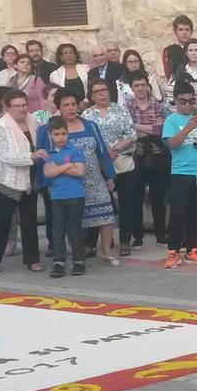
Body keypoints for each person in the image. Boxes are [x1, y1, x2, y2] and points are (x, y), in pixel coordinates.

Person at [36, 91, 116, 264]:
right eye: (66, 105)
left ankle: (106, 251)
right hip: (67, 182)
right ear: (58, 108)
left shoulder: (90, 125)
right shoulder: (50, 130)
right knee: (72, 222)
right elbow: (44, 158)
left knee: (107, 216)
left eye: (73, 104)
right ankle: (73, 254)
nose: (71, 108)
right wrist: (47, 183)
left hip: (94, 178)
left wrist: (109, 175)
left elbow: (101, 151)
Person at [0, 88, 42, 272]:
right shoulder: (1, 126)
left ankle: (32, 259)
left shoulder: (33, 120)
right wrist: (32, 157)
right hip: (7, 179)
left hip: (30, 178)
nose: (22, 109)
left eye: (24, 104)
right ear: (7, 107)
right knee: (2, 221)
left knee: (29, 220)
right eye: (16, 106)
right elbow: (5, 155)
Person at [161, 83, 197, 268]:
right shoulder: (171, 120)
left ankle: (192, 249)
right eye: (183, 101)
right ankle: (173, 251)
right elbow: (171, 144)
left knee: (196, 213)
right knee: (178, 213)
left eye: (191, 101)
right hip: (181, 173)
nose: (187, 105)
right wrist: (187, 129)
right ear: (175, 101)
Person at [82, 80, 136, 261]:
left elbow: (131, 134)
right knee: (100, 203)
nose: (102, 94)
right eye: (97, 91)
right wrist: (103, 155)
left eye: (104, 90)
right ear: (91, 95)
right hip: (98, 165)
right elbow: (87, 138)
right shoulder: (87, 114)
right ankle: (96, 242)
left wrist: (114, 150)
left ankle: (125, 240)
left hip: (122, 160)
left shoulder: (120, 110)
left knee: (128, 203)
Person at [36, 117, 87, 277]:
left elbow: (80, 171)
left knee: (75, 230)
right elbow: (48, 173)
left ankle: (79, 262)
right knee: (57, 231)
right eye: (57, 134)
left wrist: (57, 168)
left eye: (64, 133)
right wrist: (66, 165)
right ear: (50, 135)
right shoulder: (48, 154)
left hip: (76, 196)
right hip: (56, 198)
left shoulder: (75, 150)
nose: (61, 137)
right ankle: (59, 262)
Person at [124, 74, 170, 249]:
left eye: (143, 84)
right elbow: (128, 132)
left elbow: (158, 130)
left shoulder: (159, 105)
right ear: (132, 87)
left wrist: (137, 126)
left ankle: (160, 235)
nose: (140, 88)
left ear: (147, 86)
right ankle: (138, 236)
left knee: (158, 196)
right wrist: (147, 129)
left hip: (157, 154)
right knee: (136, 197)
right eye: (137, 85)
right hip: (136, 155)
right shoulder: (126, 107)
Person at [161, 14, 194, 79]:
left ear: (191, 32)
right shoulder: (168, 51)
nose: (184, 33)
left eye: (187, 29)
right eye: (181, 29)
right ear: (175, 32)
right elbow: (169, 74)